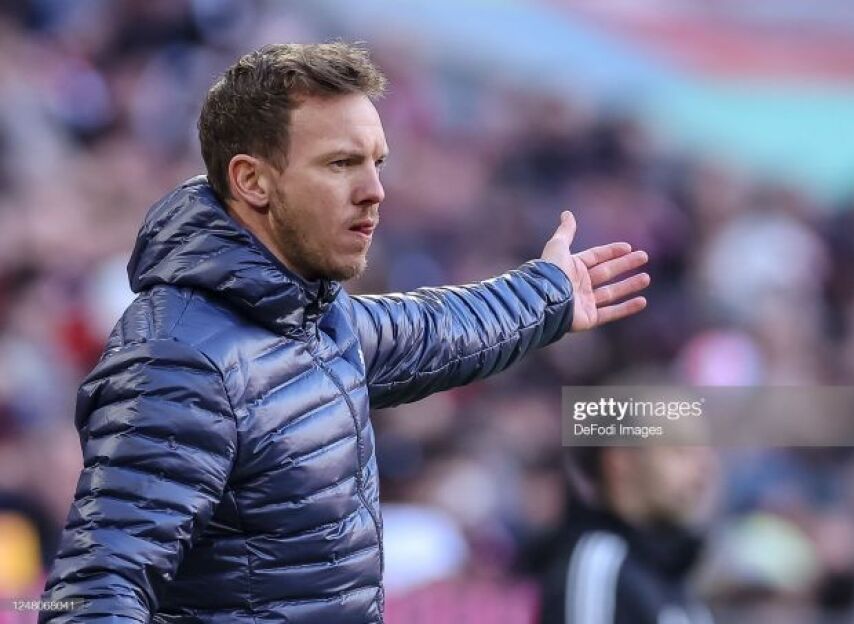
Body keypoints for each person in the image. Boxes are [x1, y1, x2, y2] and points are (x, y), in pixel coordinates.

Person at [39, 42, 650, 623]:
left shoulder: (313, 319)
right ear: (252, 181)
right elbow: (96, 589)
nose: (375, 191)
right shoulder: (180, 358)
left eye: (376, 163)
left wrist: (548, 292)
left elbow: (441, 330)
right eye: (341, 164)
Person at [536, 446, 717, 624]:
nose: (702, 467)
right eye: (679, 451)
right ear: (620, 459)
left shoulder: (668, 567)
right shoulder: (598, 567)